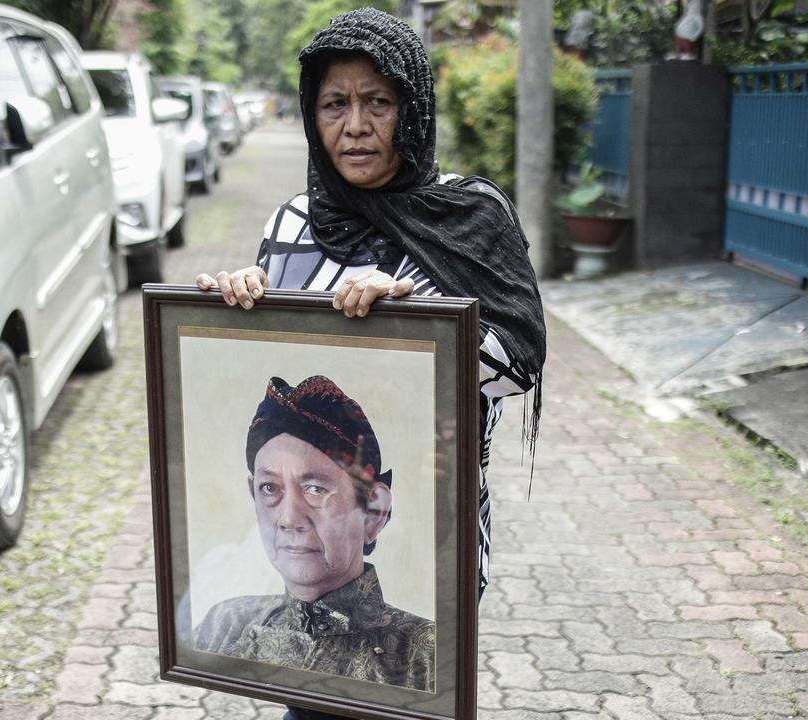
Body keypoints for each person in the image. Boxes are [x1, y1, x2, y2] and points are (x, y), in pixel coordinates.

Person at [195, 8, 545, 719]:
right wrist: (244, 303)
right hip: (316, 583)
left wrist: (412, 316)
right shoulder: (293, 223)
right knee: (310, 703)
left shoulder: (472, 213)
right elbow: (283, 354)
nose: (354, 125)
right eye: (334, 104)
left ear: (411, 110)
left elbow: (516, 365)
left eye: (377, 102)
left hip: (435, 539)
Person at [193, 375, 434, 692]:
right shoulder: (224, 625)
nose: (289, 518)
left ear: (374, 511)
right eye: (269, 488)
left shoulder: (424, 654)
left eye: (316, 488)